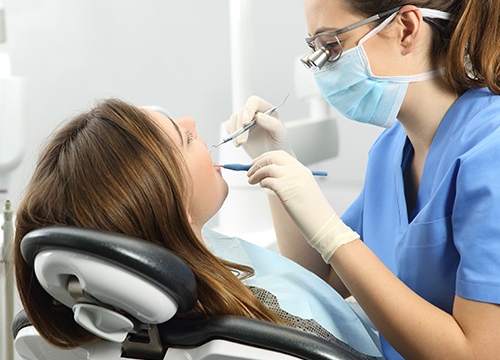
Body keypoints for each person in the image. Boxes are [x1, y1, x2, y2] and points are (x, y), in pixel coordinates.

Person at [225, 0, 500, 360]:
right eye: (315, 48)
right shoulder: (391, 151)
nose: (322, 67)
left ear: (406, 27)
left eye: (333, 45)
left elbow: (482, 353)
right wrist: (276, 163)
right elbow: (318, 276)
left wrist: (333, 233)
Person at [13, 98, 382, 359]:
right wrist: (332, 234)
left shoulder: (140, 298)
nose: (191, 121)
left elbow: (305, 282)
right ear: (175, 212)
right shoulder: (273, 327)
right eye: (184, 138)